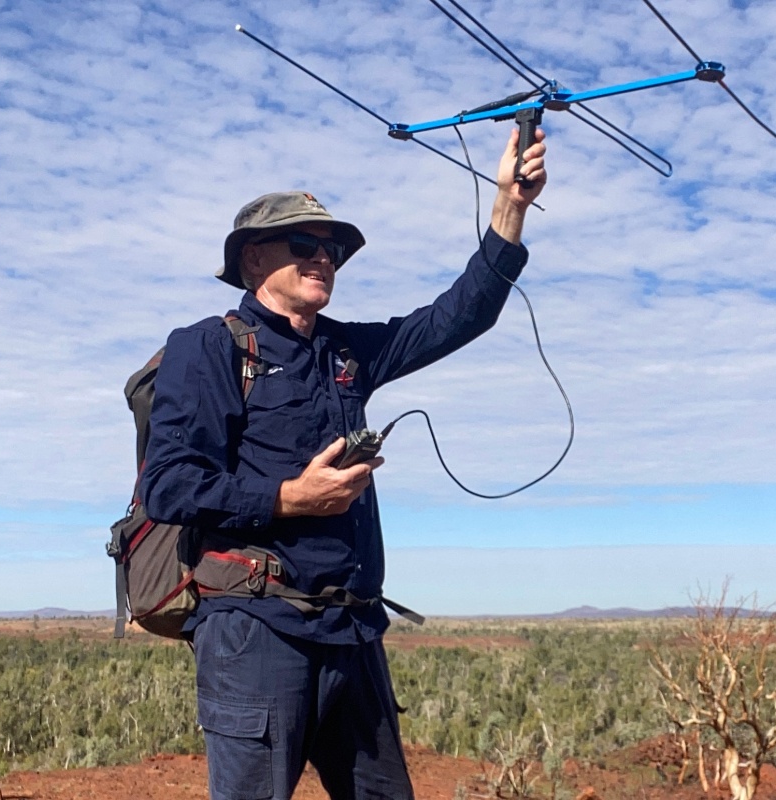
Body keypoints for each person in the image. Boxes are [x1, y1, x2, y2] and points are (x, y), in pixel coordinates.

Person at [139, 127, 546, 800]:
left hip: (352, 634)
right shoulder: (207, 349)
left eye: (331, 251)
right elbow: (168, 485)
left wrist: (509, 208)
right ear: (251, 261)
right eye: (305, 245)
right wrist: (289, 498)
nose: (323, 258)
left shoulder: (345, 352)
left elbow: (456, 317)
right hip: (254, 631)